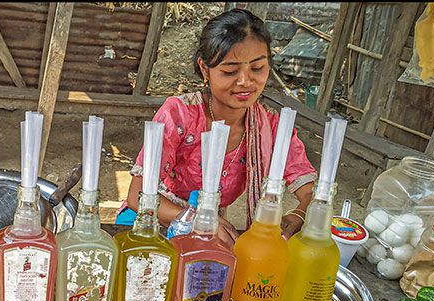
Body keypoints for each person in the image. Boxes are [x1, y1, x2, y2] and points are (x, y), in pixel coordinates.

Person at [116, 9, 317, 247]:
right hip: (150, 220)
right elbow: (138, 197)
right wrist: (197, 218)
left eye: (257, 68)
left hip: (210, 230)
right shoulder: (179, 115)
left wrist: (298, 215)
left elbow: (312, 193)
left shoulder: (270, 127)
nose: (245, 81)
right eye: (230, 71)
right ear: (205, 69)